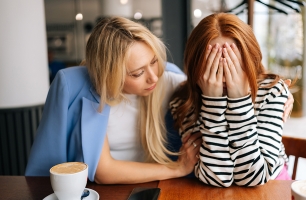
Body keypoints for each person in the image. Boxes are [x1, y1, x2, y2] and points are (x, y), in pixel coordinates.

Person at [25, 16, 202, 184]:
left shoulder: (169, 78)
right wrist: (176, 169)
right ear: (110, 75)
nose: (153, 77)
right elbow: (103, 171)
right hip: (96, 191)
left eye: (154, 61)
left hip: (158, 185)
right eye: (137, 73)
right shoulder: (73, 85)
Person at [169, 13, 293, 187]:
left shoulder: (272, 92)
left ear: (251, 60)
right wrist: (212, 102)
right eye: (213, 66)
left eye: (234, 64)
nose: (226, 76)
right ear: (195, 66)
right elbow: (217, 178)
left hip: (272, 188)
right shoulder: (184, 102)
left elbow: (254, 178)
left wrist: (239, 100)